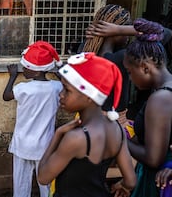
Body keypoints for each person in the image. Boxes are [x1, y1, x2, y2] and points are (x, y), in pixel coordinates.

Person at [37, 52, 137, 197]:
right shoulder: (117, 129)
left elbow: (43, 177)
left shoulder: (75, 138)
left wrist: (58, 134)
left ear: (89, 97)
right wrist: (121, 185)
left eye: (67, 90)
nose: (61, 95)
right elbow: (131, 181)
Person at [122, 18, 172, 197]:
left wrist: (119, 138)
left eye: (130, 72)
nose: (130, 79)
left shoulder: (160, 99)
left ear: (145, 68)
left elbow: (154, 159)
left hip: (161, 182)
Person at [2, 41, 63, 197]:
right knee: (46, 184)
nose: (23, 70)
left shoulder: (23, 88)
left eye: (26, 67)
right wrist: (62, 75)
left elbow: (6, 96)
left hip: (22, 144)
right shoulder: (56, 87)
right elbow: (69, 88)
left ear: (36, 72)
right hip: (44, 145)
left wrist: (12, 77)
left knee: (21, 184)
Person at [82, 4, 132, 126]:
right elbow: (164, 33)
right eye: (126, 30)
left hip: (87, 121)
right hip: (114, 125)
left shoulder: (85, 51)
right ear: (115, 32)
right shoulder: (120, 58)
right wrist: (120, 29)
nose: (128, 35)